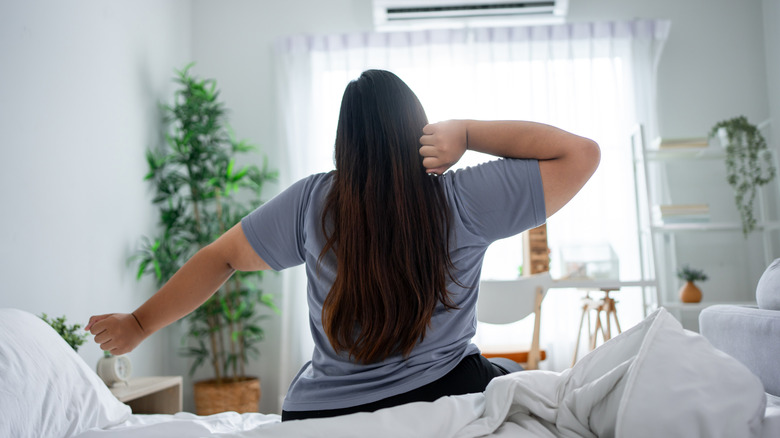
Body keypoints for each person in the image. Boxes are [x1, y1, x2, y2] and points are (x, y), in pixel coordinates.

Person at [86, 69, 600, 421]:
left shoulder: (313, 203)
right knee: (519, 379)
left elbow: (220, 257)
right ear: (416, 127)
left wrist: (138, 324)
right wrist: (466, 131)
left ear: (344, 140)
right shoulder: (463, 198)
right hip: (445, 390)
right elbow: (580, 154)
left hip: (323, 410)